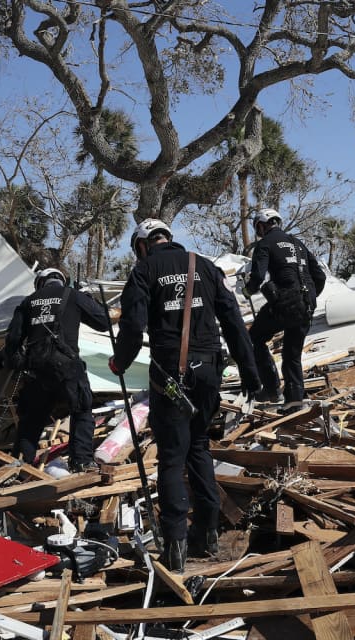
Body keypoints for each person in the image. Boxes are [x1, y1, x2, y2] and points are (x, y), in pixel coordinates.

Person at [108, 219, 261, 572]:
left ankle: (175, 546)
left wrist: (121, 361)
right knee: (199, 448)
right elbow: (235, 323)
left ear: (143, 245)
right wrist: (252, 376)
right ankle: (207, 534)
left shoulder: (145, 270)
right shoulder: (205, 266)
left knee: (172, 458)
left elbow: (132, 324)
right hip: (209, 371)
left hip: (169, 377)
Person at [3, 267, 111, 472]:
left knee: (32, 419)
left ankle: (20, 466)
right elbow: (103, 322)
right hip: (67, 365)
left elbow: (13, 339)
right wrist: (87, 298)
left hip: (37, 368)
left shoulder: (28, 301)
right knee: (81, 409)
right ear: (62, 281)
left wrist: (19, 364)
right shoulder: (74, 296)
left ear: (41, 283)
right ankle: (81, 462)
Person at [244, 207, 326, 410]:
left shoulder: (265, 244)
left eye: (258, 229)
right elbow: (320, 277)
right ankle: (294, 399)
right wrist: (309, 298)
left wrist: (248, 292)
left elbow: (257, 276)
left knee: (253, 338)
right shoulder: (298, 244)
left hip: (285, 303)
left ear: (262, 225)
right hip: (306, 304)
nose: (259, 232)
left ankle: (271, 388)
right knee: (292, 352)